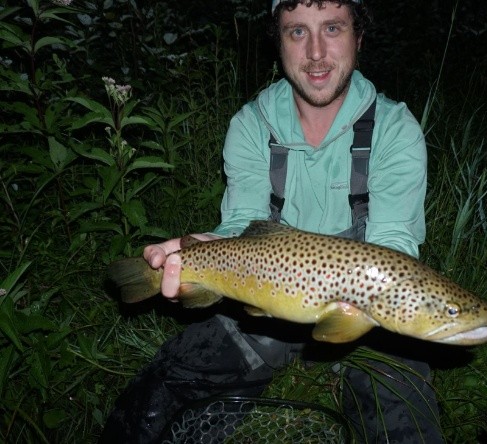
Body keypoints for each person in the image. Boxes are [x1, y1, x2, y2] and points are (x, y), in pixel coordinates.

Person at [101, 1, 443, 443]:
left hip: (367, 307)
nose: (316, 52)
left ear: (358, 38)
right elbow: (242, 223)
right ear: (279, 46)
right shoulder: (249, 126)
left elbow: (393, 246)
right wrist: (202, 248)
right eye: (297, 32)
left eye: (333, 28)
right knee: (159, 398)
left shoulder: (395, 130)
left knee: (406, 424)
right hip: (262, 292)